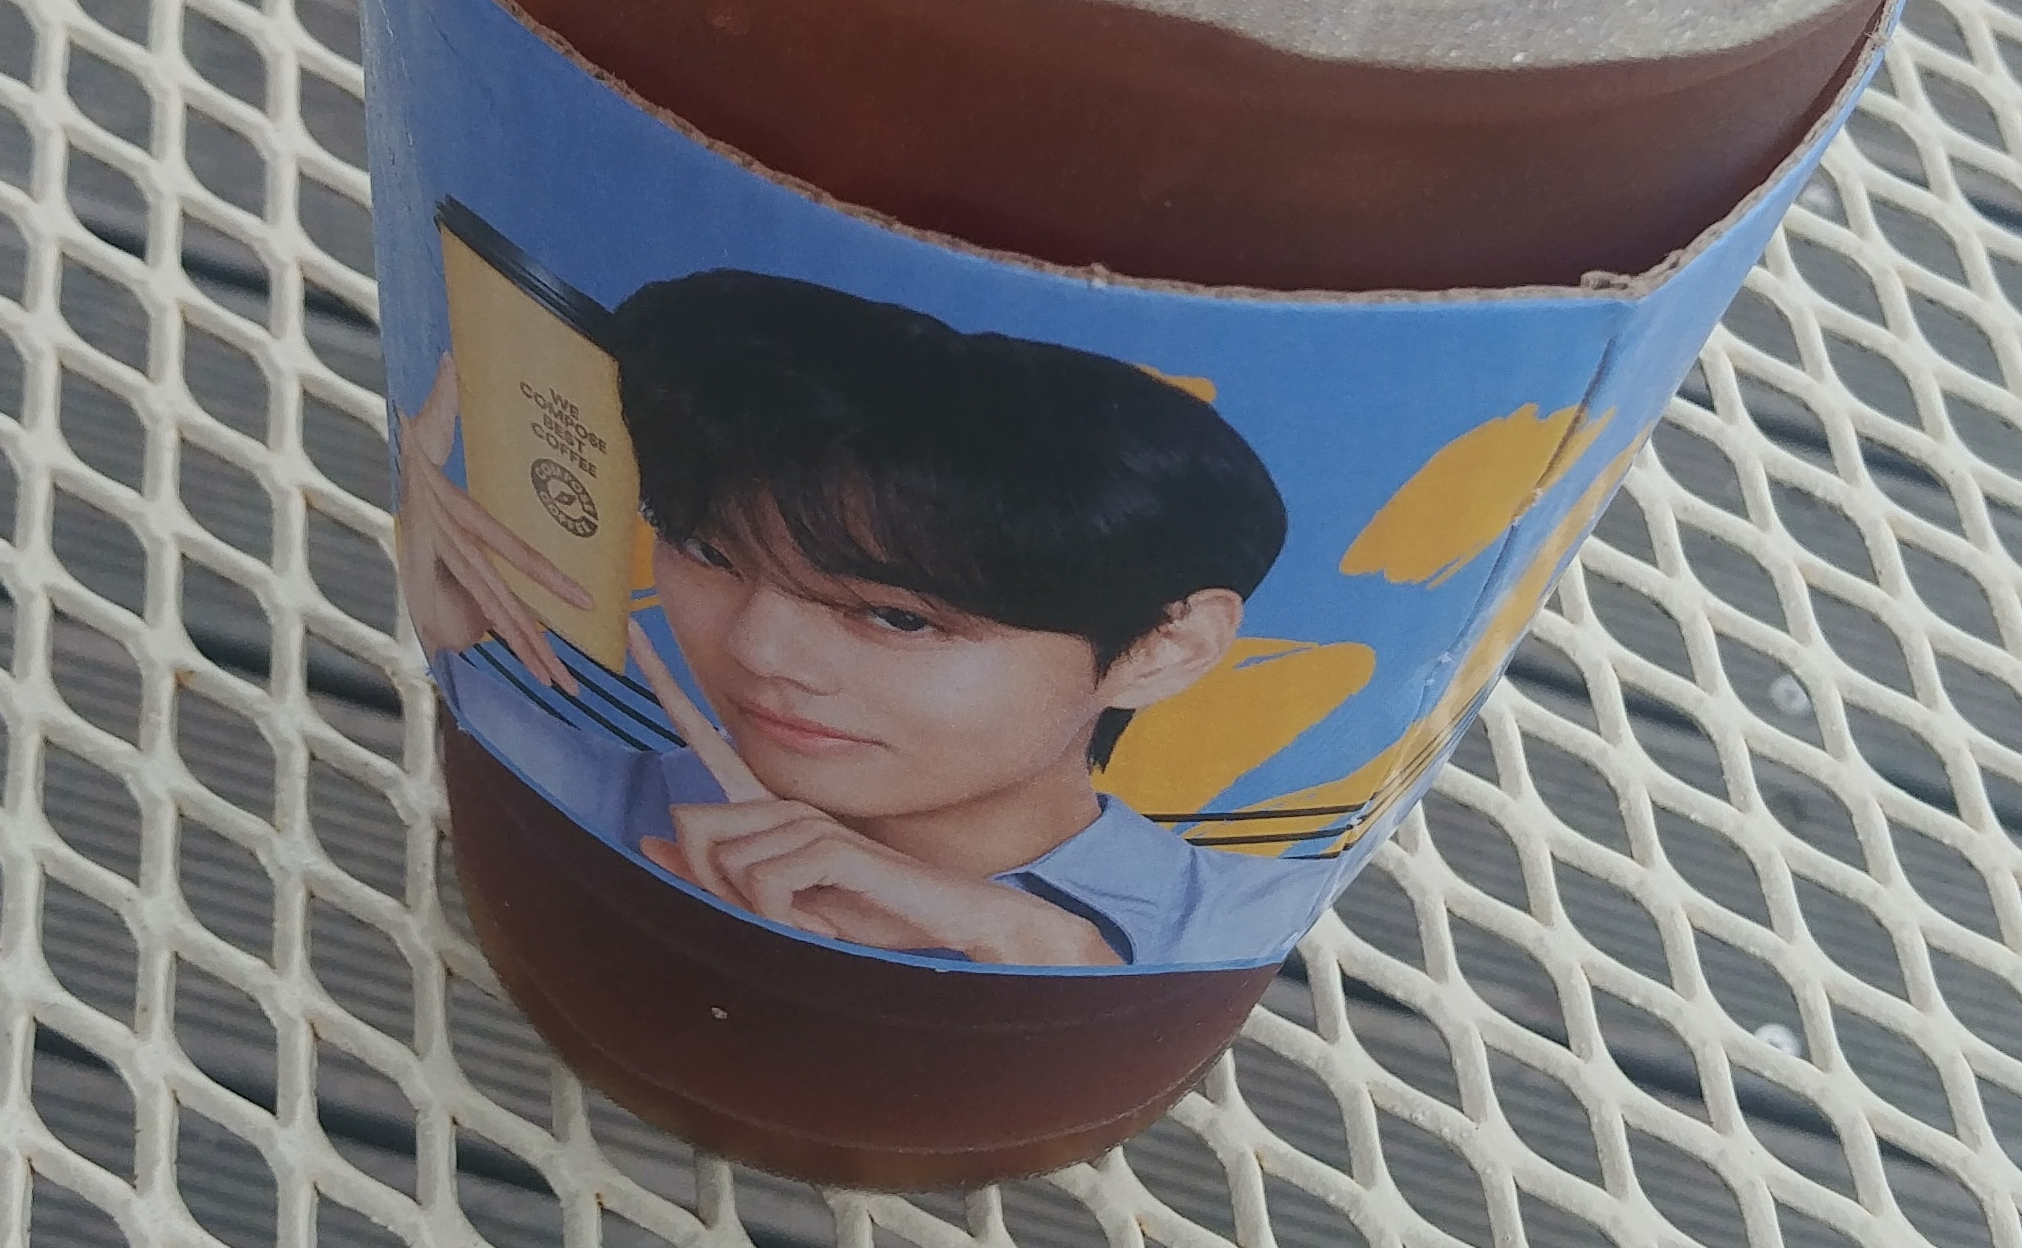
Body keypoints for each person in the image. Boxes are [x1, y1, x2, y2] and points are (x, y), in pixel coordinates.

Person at [399, 269, 1330, 972]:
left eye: (894, 616)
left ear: (1165, 648)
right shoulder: (560, 782)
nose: (755, 649)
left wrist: (1057, 967)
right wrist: (455, 644)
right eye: (709, 553)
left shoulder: (1238, 921)